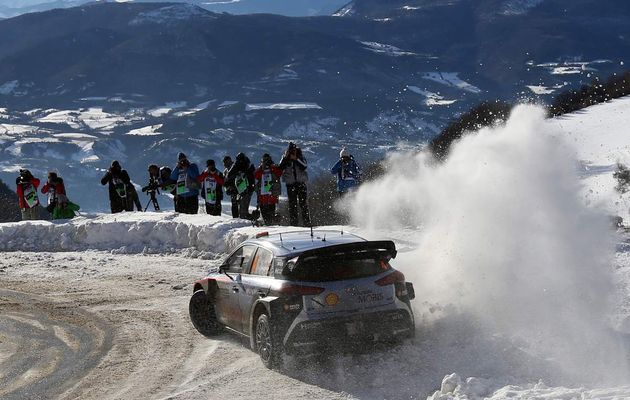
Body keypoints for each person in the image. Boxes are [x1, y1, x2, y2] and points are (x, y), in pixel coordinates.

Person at [279, 142, 311, 226]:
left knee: (303, 204)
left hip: (301, 183)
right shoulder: (285, 158)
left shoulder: (300, 157)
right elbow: (280, 168)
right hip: (290, 184)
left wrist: (296, 159)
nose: (292, 152)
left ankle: (306, 222)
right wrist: (285, 158)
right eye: (291, 151)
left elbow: (304, 166)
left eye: (294, 150)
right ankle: (294, 224)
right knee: (292, 205)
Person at [226, 152, 255, 220]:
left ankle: (247, 219)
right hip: (241, 188)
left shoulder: (247, 165)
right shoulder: (237, 164)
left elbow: (252, 177)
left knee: (243, 207)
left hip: (245, 187)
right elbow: (229, 175)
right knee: (242, 206)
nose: (241, 162)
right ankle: (246, 218)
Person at [255, 153, 282, 225]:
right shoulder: (260, 169)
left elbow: (279, 173)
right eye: (264, 161)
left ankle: (271, 225)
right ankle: (267, 224)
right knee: (264, 214)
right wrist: (262, 168)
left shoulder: (274, 168)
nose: (266, 162)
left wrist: (271, 167)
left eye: (267, 160)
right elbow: (256, 176)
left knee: (271, 213)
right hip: (263, 196)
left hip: (272, 195)